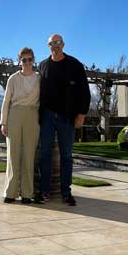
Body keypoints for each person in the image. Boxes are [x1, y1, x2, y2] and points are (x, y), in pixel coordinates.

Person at [36, 34, 90, 206]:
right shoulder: (42, 66)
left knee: (66, 156)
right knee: (45, 155)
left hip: (67, 117)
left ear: (63, 44)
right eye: (52, 43)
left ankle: (66, 192)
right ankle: (44, 192)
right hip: (47, 117)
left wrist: (81, 114)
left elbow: (84, 92)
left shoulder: (75, 65)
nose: (55, 46)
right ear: (48, 46)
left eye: (58, 43)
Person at [0, 47, 40, 204]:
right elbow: (6, 101)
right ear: (19, 61)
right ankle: (10, 192)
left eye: (30, 59)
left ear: (33, 60)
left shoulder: (39, 78)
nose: (27, 62)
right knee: (13, 154)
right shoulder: (13, 79)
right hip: (14, 115)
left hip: (32, 115)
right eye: (24, 60)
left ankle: (27, 194)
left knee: (29, 155)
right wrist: (3, 122)